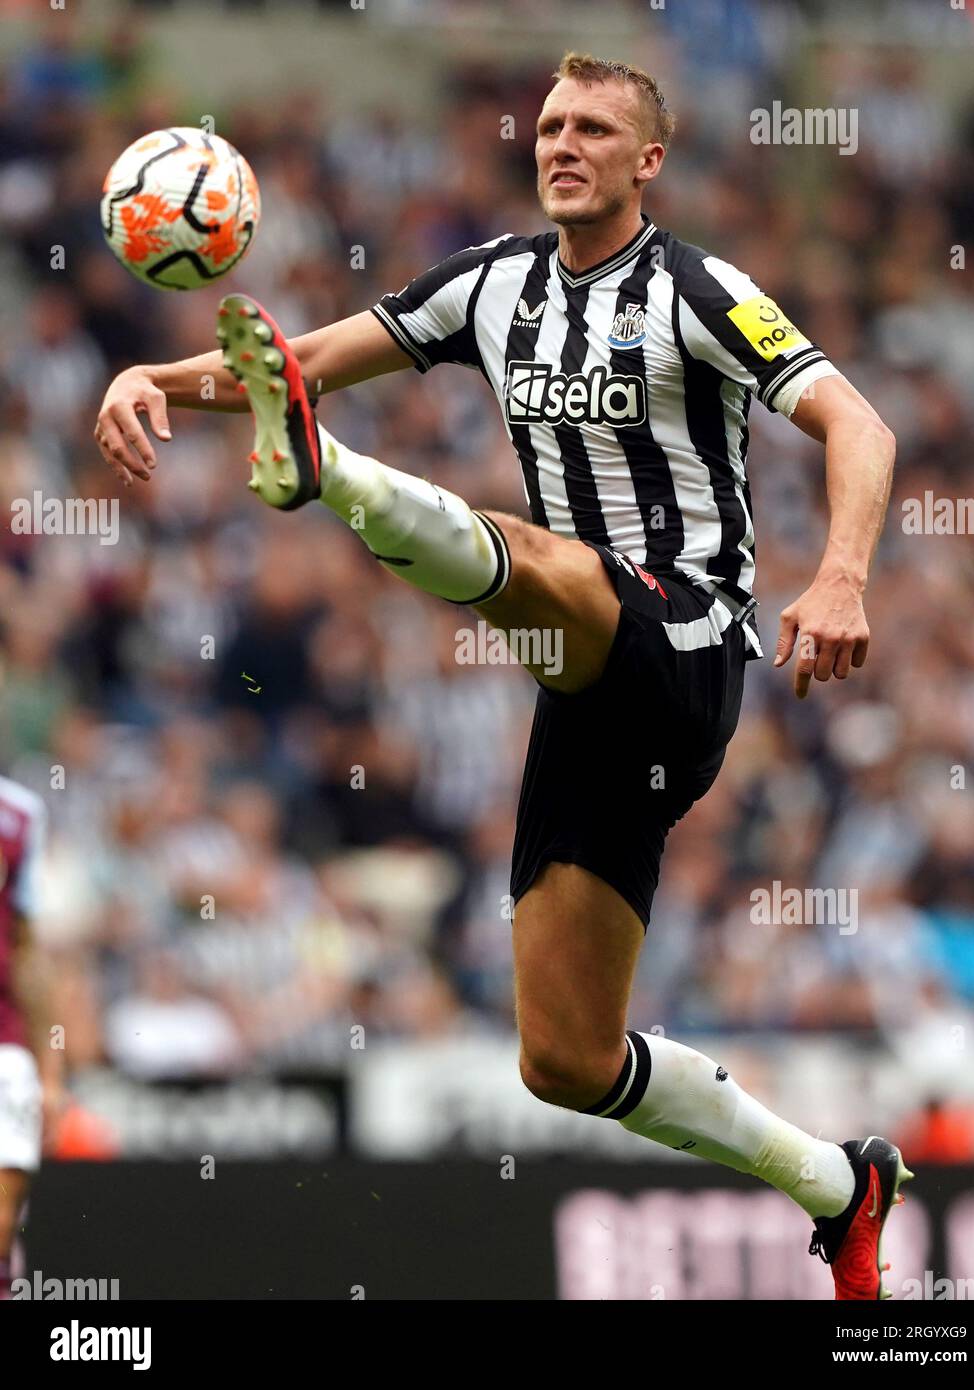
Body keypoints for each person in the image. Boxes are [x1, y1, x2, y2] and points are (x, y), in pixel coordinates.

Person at [95, 52, 908, 1298]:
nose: (561, 143)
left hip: (685, 641)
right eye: (548, 126)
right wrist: (155, 378)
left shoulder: (700, 289)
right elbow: (291, 363)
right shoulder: (491, 283)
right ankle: (836, 1185)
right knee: (565, 1060)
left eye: (593, 128)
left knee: (541, 557)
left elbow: (861, 422)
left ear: (650, 161)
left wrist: (843, 575)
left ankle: (338, 479)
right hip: (583, 690)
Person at [0, 772, 60, 1300]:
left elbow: (29, 949)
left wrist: (52, 1066)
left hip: (4, 1038)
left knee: (2, 1208)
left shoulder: (19, 813)